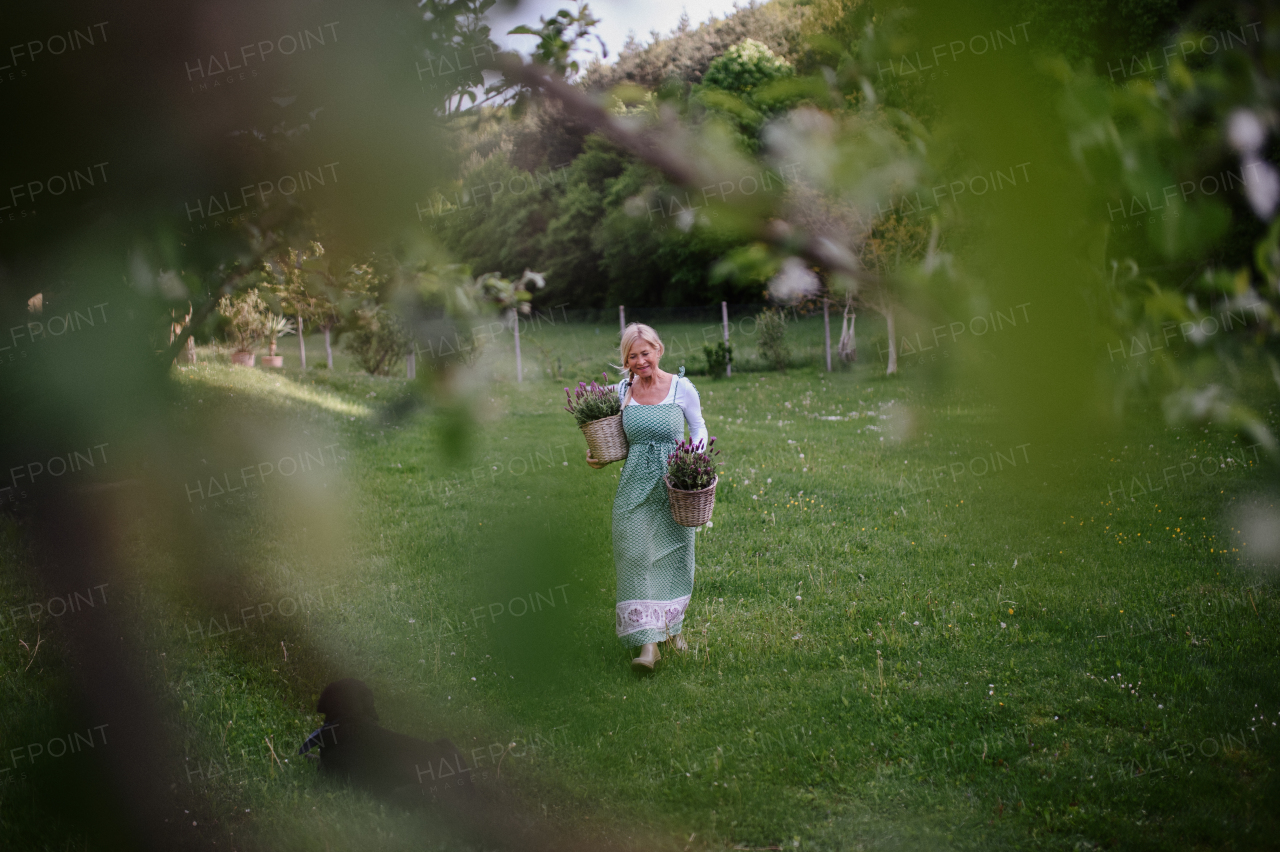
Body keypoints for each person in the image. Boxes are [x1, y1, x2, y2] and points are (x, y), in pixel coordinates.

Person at [586, 323, 707, 672]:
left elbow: (698, 427)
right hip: (635, 486)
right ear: (625, 360)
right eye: (632, 356)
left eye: (645, 353)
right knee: (635, 554)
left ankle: (672, 629)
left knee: (675, 554)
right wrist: (593, 455)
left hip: (675, 485)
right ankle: (647, 644)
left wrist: (694, 463)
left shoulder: (681, 388)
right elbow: (598, 429)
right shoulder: (620, 390)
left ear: (659, 350)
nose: (640, 361)